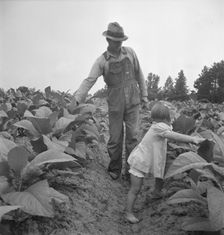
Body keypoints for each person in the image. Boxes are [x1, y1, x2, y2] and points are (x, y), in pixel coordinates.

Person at [73, 22, 148, 180]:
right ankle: (115, 167)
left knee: (133, 137)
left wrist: (145, 95)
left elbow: (140, 74)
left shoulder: (130, 53)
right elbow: (89, 80)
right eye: (116, 41)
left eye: (121, 40)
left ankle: (130, 171)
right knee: (115, 138)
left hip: (133, 102)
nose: (119, 44)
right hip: (115, 104)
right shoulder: (102, 61)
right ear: (108, 40)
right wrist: (77, 99)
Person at [125, 102, 205, 223]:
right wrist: (193, 139)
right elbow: (173, 135)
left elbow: (172, 130)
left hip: (149, 160)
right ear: (164, 119)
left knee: (160, 173)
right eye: (172, 118)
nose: (173, 120)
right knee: (135, 189)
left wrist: (194, 120)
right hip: (140, 162)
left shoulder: (160, 125)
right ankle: (128, 213)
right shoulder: (159, 127)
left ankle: (157, 192)